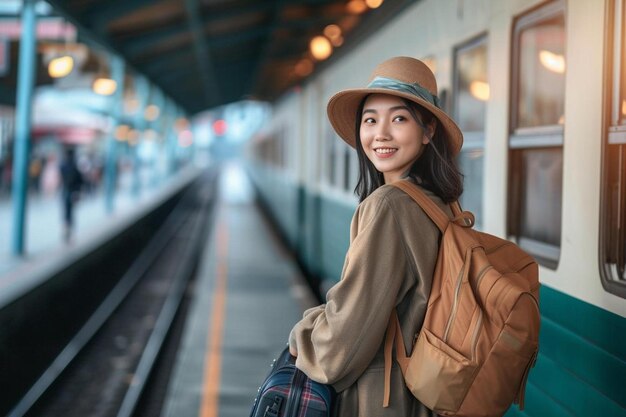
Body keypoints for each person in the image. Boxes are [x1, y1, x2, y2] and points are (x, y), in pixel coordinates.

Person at [288, 56, 464, 416]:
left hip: (384, 402)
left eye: (399, 118)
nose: (380, 133)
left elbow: (341, 344)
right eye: (370, 120)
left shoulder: (388, 206)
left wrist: (303, 333)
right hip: (425, 398)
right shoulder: (442, 204)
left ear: (428, 130)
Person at [60, 147, 84, 242]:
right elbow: (80, 180)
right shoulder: (75, 166)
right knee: (72, 213)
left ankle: (65, 229)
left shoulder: (63, 166)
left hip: (65, 191)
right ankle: (70, 232)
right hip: (73, 192)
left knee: (66, 212)